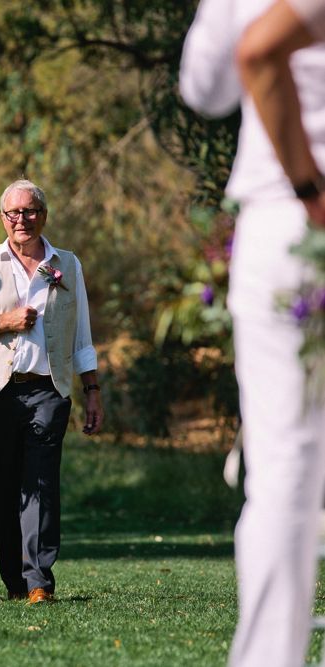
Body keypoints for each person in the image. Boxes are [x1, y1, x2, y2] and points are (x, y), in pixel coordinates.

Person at [180, 2, 325, 665]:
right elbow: (259, 51)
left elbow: (202, 88)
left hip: (273, 228)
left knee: (281, 471)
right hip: (303, 206)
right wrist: (310, 187)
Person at [0, 179, 103, 604]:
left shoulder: (67, 264)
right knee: (2, 485)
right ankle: (14, 580)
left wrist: (92, 389)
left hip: (49, 389)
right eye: (13, 213)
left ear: (43, 215)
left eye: (30, 211)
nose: (21, 219)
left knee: (42, 483)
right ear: (2, 218)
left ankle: (38, 583)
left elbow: (81, 332)